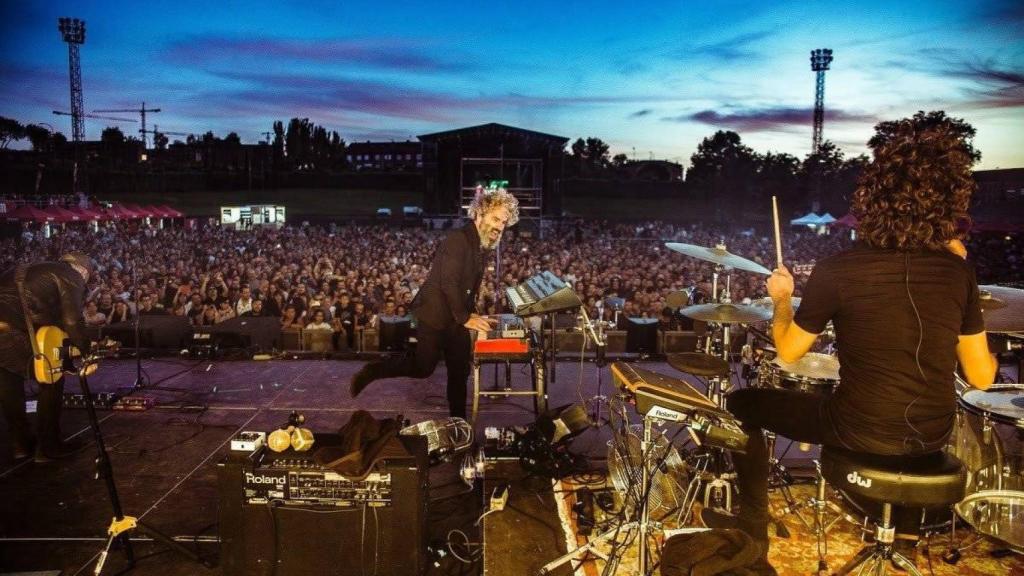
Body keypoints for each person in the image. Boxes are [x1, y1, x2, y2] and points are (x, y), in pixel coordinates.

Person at [701, 117, 999, 569]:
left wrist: (781, 300)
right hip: (932, 433)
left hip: (855, 426)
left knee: (744, 403)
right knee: (913, 429)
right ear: (948, 205)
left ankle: (752, 525)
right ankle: (903, 538)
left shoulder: (838, 269)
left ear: (870, 202)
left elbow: (788, 352)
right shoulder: (958, 271)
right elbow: (981, 376)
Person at [350, 188, 519, 417]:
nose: (500, 226)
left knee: (459, 372)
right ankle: (373, 370)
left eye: (504, 221)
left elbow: (467, 287)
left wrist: (473, 313)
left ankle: (458, 423)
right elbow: (448, 283)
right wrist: (466, 317)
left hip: (457, 317)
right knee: (423, 368)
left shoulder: (482, 244)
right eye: (495, 218)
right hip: (435, 315)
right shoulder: (458, 240)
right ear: (479, 214)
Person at [0, 252, 94, 462]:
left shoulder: (32, 267)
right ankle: (48, 446)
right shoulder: (71, 275)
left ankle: (21, 445)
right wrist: (86, 351)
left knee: (9, 387)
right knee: (51, 378)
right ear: (83, 270)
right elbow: (72, 320)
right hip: (20, 332)